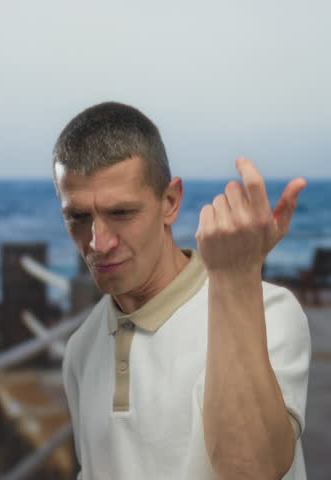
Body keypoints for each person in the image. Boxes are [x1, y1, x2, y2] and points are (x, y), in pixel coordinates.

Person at [53, 101, 311, 479]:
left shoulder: (271, 310)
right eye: (78, 217)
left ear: (170, 202)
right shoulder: (81, 347)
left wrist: (235, 277)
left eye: (122, 213)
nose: (99, 242)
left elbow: (252, 472)